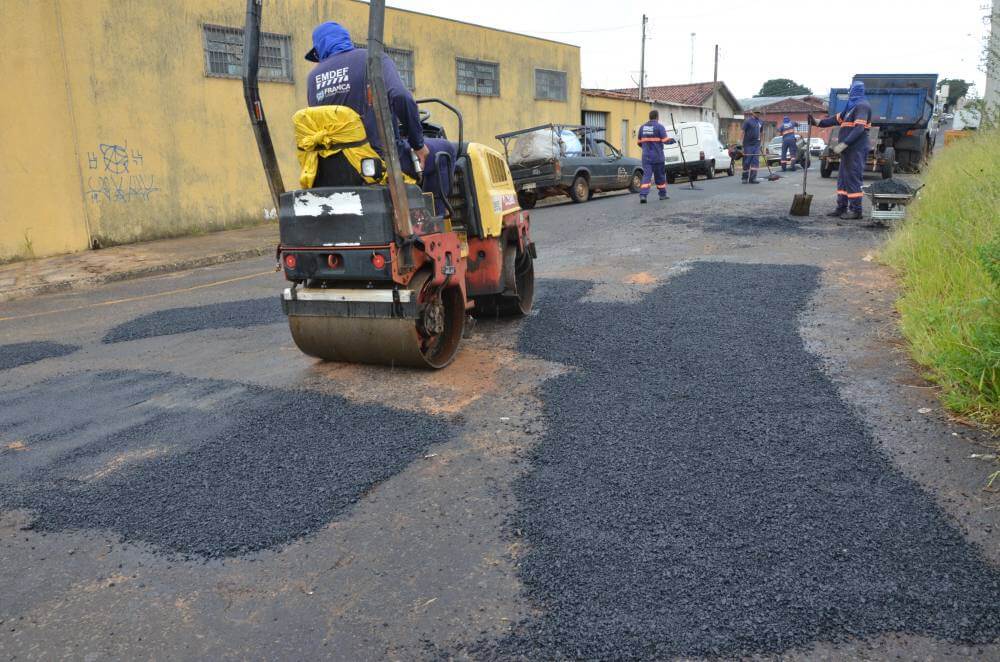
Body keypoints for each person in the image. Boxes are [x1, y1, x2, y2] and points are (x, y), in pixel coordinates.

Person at [305, 22, 456, 215]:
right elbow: (401, 96)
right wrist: (418, 144)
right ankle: (434, 219)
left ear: (319, 49)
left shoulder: (312, 79)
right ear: (346, 40)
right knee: (445, 150)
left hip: (334, 167)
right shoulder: (372, 59)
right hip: (379, 159)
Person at [809, 81, 872, 219]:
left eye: (850, 90)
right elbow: (835, 120)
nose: (849, 92)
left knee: (853, 178)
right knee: (843, 179)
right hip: (848, 150)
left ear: (855, 90)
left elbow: (859, 128)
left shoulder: (862, 106)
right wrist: (817, 122)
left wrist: (844, 144)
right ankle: (841, 208)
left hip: (856, 149)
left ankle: (856, 211)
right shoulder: (850, 107)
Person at [635, 109, 676, 203]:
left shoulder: (642, 128)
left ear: (649, 117)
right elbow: (665, 141)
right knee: (660, 176)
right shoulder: (660, 127)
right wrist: (674, 140)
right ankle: (662, 195)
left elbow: (639, 142)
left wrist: (646, 148)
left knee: (646, 176)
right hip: (658, 156)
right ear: (657, 117)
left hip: (646, 157)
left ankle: (643, 195)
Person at [741, 110, 764, 184]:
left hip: (757, 145)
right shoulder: (748, 121)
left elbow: (761, 132)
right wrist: (740, 143)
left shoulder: (761, 122)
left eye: (759, 113)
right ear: (753, 113)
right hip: (748, 144)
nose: (758, 114)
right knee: (747, 161)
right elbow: (743, 132)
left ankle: (753, 178)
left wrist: (761, 143)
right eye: (756, 113)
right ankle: (744, 178)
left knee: (755, 162)